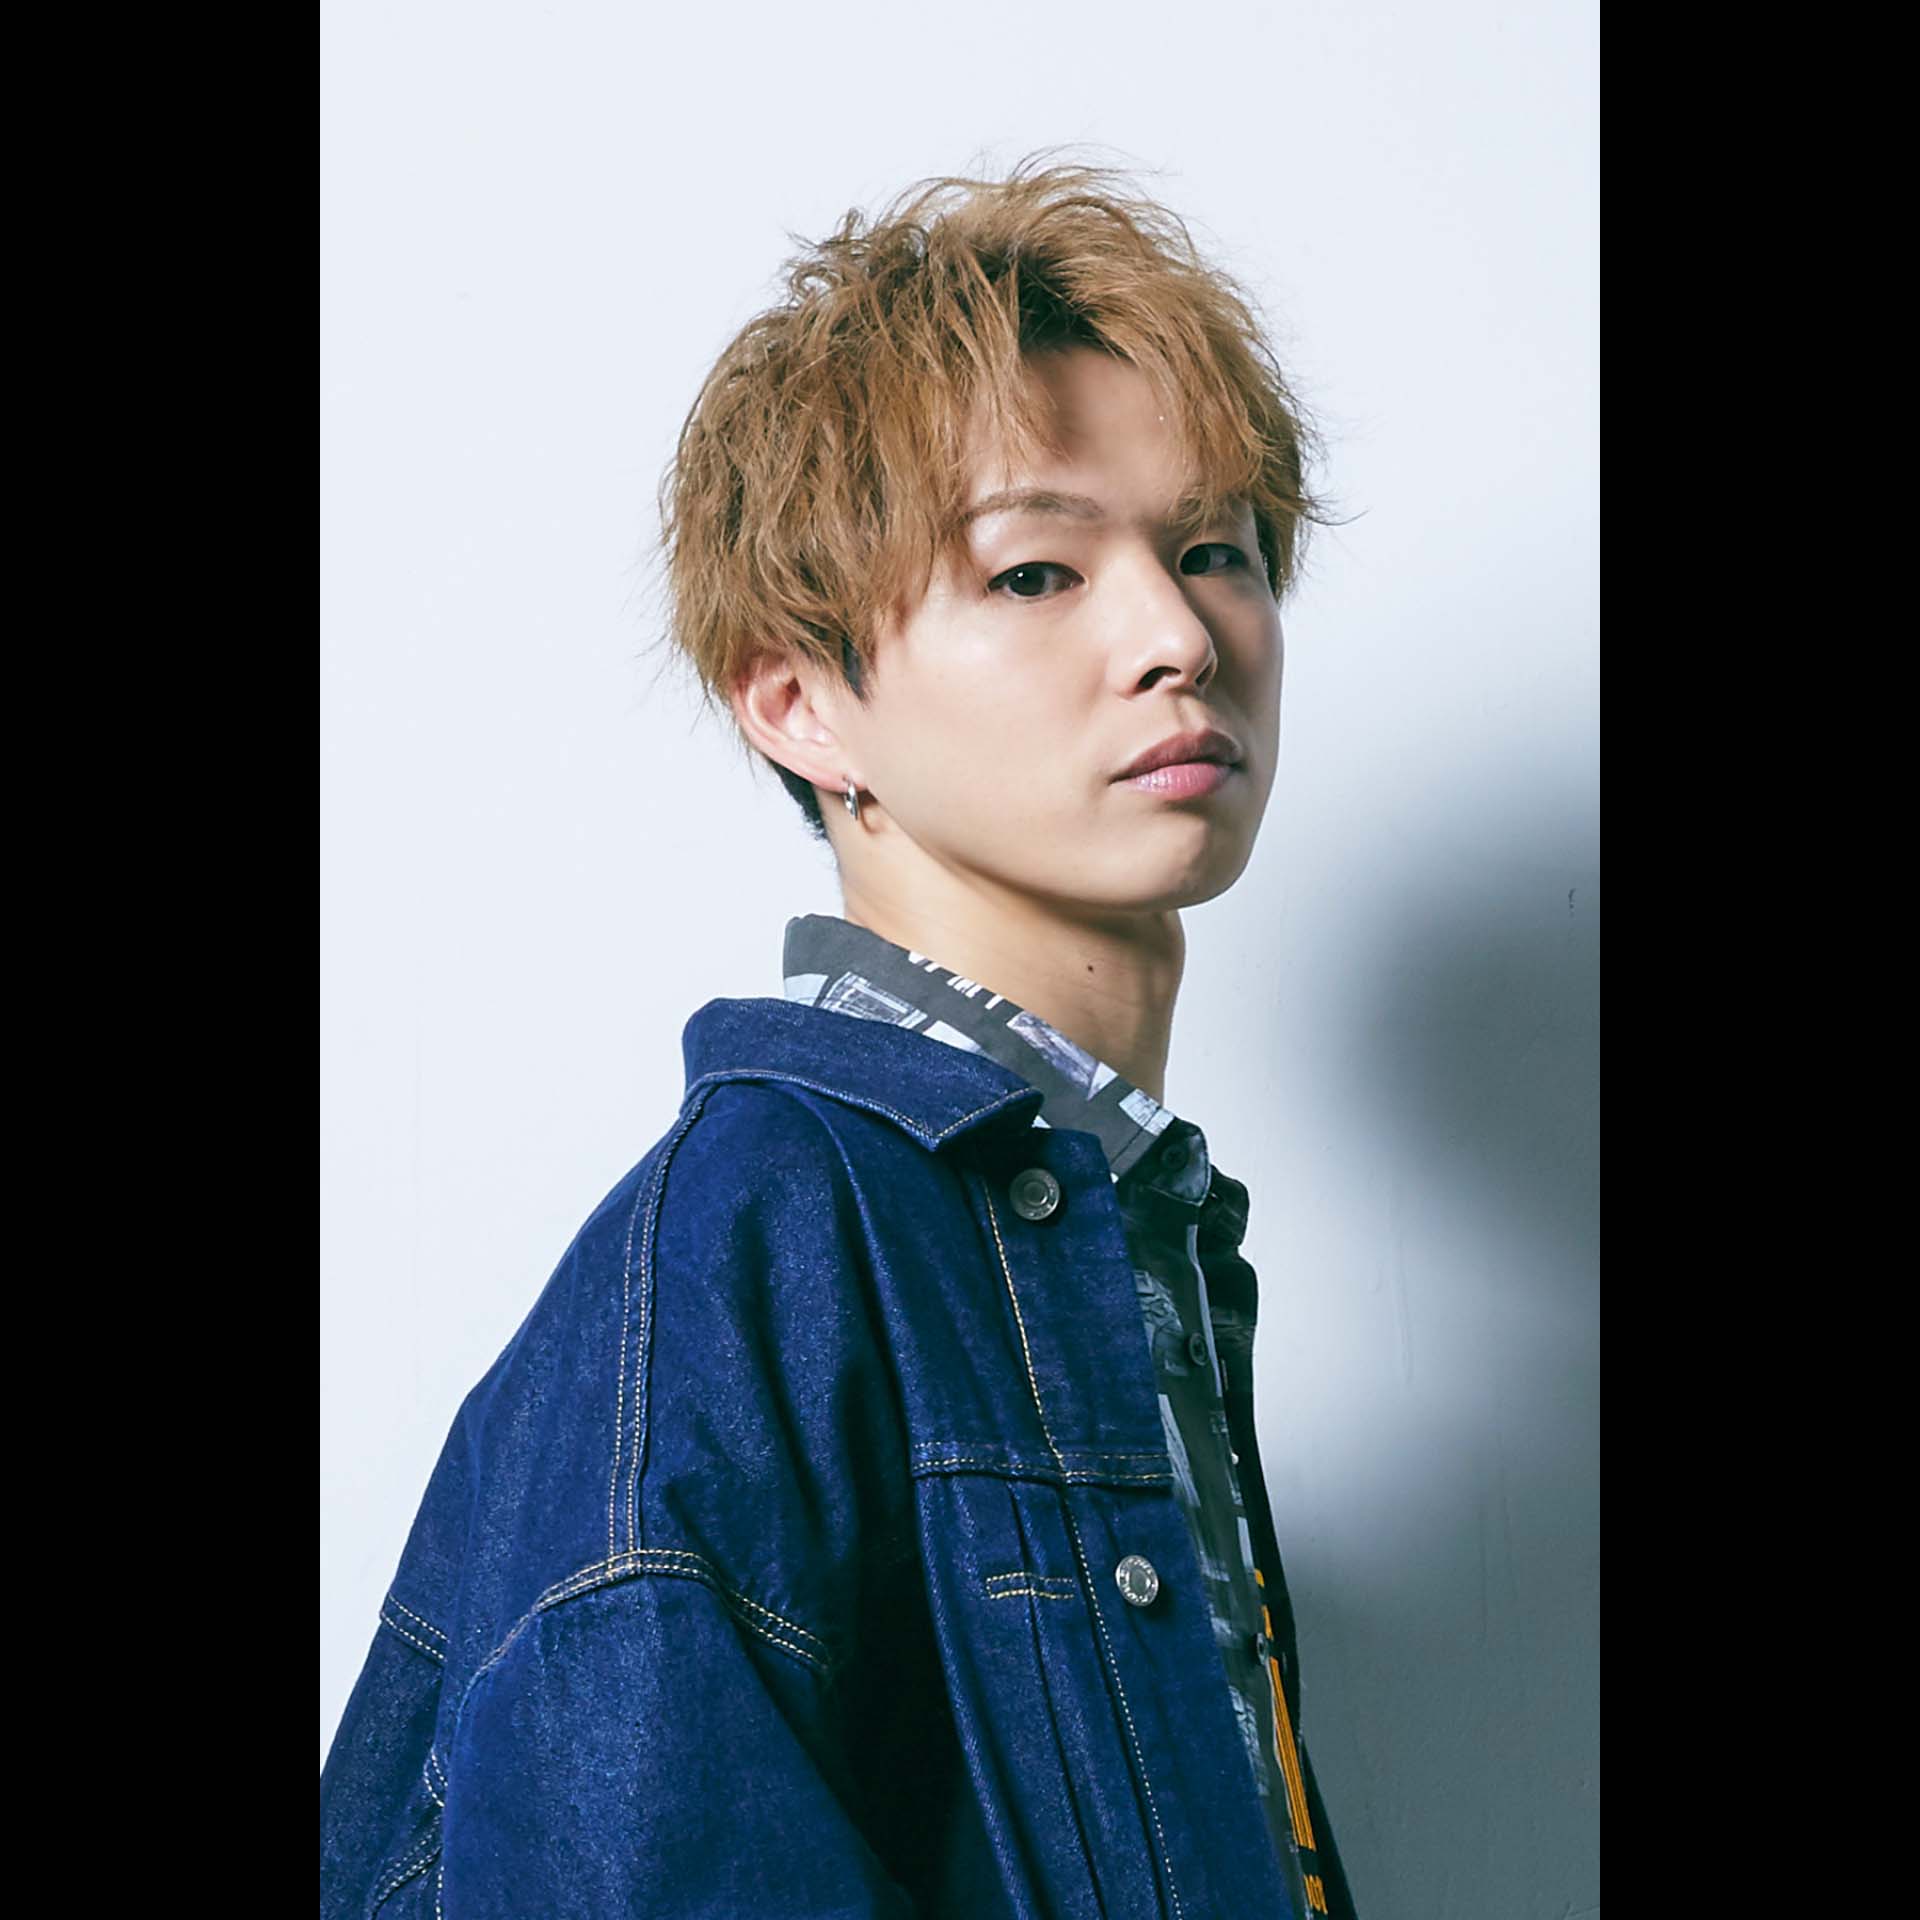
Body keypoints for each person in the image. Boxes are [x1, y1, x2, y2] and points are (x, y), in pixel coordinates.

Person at [322, 150, 1359, 1918]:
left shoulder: (1114, 1239)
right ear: (801, 703)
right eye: (1036, 573)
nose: (1180, 635)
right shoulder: (756, 1241)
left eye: (1217, 553)